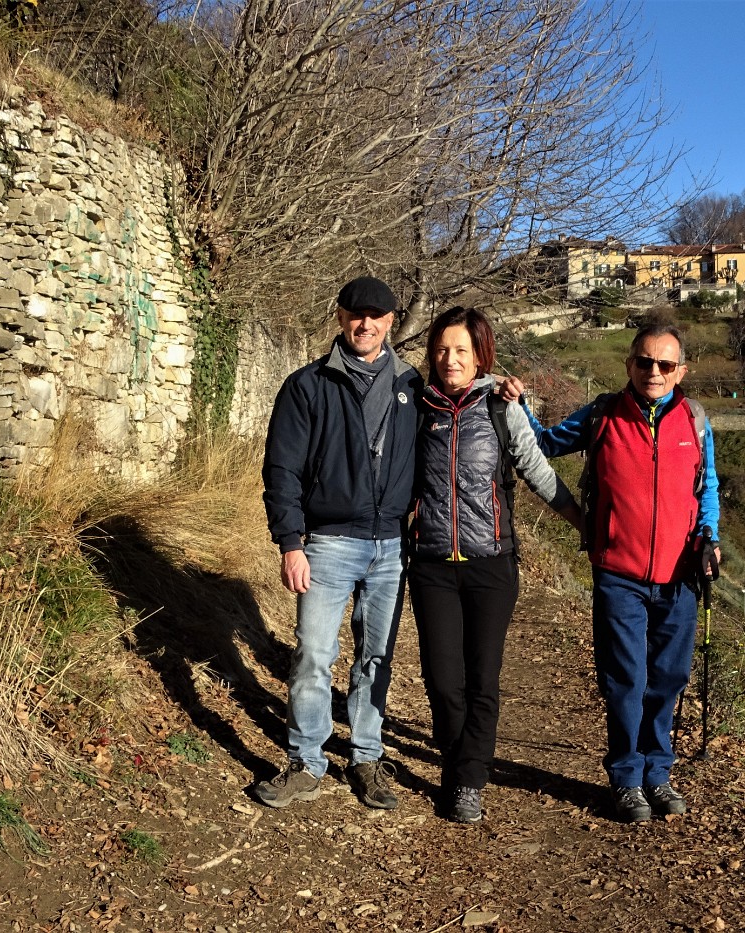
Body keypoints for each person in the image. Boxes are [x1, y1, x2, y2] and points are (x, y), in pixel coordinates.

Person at [524, 321, 720, 823]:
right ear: (629, 364)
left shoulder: (696, 422)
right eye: (645, 362)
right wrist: (518, 404)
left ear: (682, 371)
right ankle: (627, 778)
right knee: (625, 679)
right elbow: (544, 443)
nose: (654, 372)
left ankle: (660, 774)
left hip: (679, 577)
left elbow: (708, 488)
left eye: (666, 365)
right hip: (619, 575)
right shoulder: (602, 415)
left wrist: (709, 538)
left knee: (668, 678)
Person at [407, 307, 582, 823]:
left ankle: (468, 780)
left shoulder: (502, 408)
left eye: (461, 350)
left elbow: (535, 468)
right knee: (443, 679)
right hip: (432, 562)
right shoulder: (417, 406)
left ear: (481, 355)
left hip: (491, 563)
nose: (449, 359)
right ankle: (458, 760)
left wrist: (583, 524)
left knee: (483, 675)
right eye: (442, 349)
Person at [255, 275, 422, 811]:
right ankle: (306, 761)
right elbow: (281, 470)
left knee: (376, 657)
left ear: (392, 321)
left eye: (376, 315)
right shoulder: (307, 386)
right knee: (313, 655)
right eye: (356, 313)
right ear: (340, 316)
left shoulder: (413, 387)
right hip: (327, 543)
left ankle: (367, 757)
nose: (365, 324)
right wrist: (290, 542)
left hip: (392, 545)